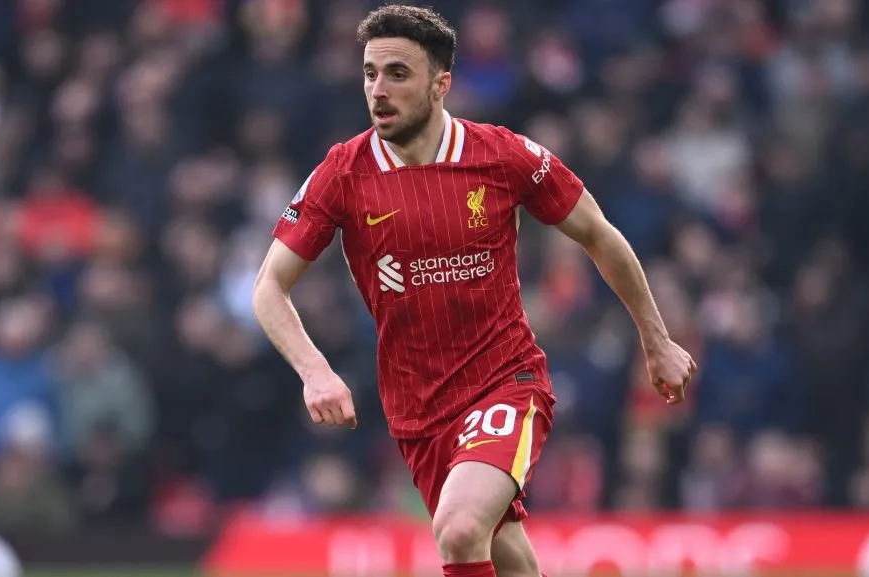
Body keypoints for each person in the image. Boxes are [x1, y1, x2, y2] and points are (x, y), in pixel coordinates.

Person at [253, 5, 697, 577]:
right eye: (369, 73)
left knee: (460, 529)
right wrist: (314, 370)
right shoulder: (343, 172)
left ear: (441, 85)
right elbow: (270, 287)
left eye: (397, 74)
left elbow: (598, 235)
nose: (378, 90)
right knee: (505, 555)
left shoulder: (502, 155)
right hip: (417, 411)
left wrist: (656, 341)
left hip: (504, 382)